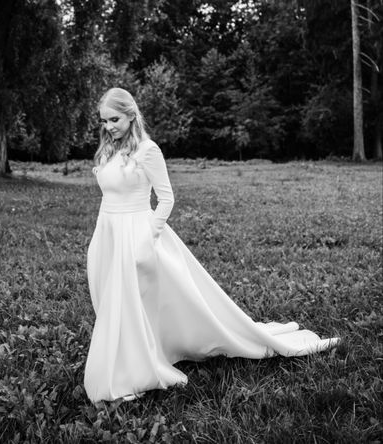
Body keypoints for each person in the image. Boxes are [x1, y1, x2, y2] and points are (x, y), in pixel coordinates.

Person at [84, 87, 339, 403]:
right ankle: (129, 358)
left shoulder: (147, 150)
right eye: (104, 121)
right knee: (115, 301)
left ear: (131, 115)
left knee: (131, 302)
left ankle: (130, 370)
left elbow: (166, 199)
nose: (109, 127)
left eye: (115, 119)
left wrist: (147, 237)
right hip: (109, 232)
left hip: (137, 234)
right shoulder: (108, 150)